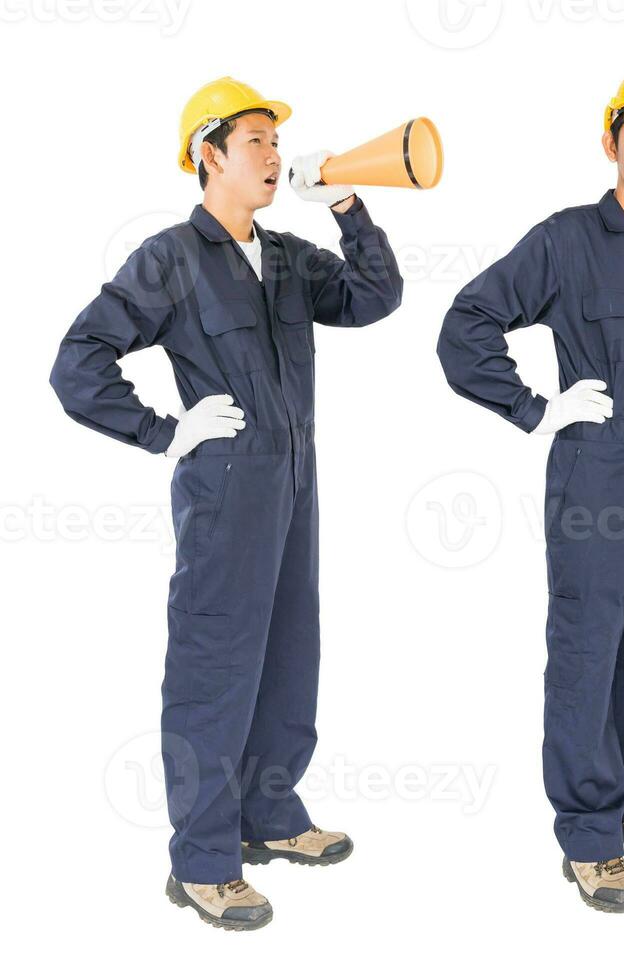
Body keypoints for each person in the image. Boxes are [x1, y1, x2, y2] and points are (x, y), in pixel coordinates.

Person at [49, 76, 403, 930]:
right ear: (208, 155)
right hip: (225, 493)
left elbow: (373, 298)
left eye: (277, 142)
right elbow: (76, 364)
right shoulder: (169, 259)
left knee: (289, 650)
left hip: (295, 481)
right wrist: (162, 432)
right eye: (255, 141)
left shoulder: (286, 256)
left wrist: (349, 206)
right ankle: (204, 861)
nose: (275, 156)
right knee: (215, 668)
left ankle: (270, 819)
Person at [436, 62, 624, 914]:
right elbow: (468, 322)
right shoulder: (567, 239)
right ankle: (590, 834)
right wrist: (535, 411)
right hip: (593, 478)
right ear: (611, 142)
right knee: (585, 649)